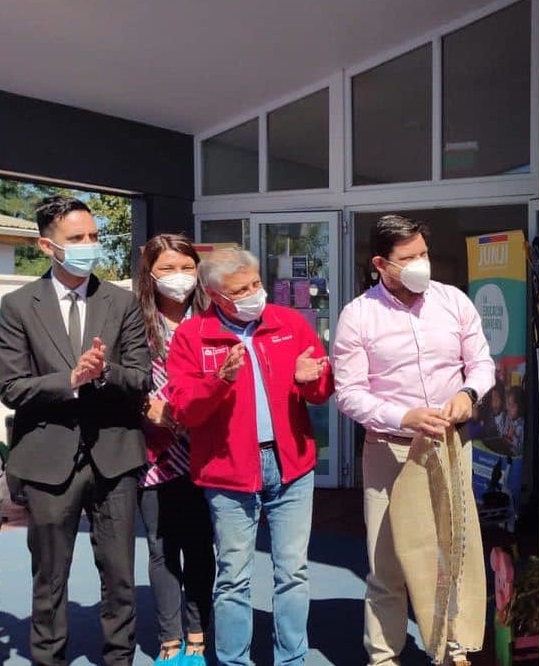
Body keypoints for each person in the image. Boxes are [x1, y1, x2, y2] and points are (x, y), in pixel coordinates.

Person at [333, 214, 495, 666]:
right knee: (387, 564)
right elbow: (349, 394)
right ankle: (384, 657)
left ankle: (452, 648)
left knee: (453, 552)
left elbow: (481, 363)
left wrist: (469, 393)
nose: (421, 264)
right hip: (390, 450)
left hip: (449, 446)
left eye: (423, 254)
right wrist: (403, 417)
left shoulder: (453, 301)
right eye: (408, 259)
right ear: (381, 264)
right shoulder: (359, 315)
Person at [0, 195, 152, 666]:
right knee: (49, 578)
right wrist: (70, 380)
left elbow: (140, 377)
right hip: (47, 461)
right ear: (47, 245)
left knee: (120, 577)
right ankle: (49, 658)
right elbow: (11, 387)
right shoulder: (17, 307)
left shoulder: (122, 302)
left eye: (94, 236)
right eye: (77, 239)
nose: (89, 246)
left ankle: (119, 658)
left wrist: (103, 371)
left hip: (115, 458)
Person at [165, 246, 333, 666]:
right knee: (234, 578)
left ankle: (291, 658)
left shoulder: (290, 323)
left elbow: (321, 387)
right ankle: (234, 659)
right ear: (213, 295)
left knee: (292, 572)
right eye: (241, 290)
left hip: (291, 465)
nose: (254, 294)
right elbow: (183, 409)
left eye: (256, 284)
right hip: (228, 472)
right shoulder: (192, 336)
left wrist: (311, 382)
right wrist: (219, 382)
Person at [134, 234, 215, 665]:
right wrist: (147, 405)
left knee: (201, 546)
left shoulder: (212, 318)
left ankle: (198, 634)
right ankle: (169, 639)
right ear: (149, 273)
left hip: (205, 452)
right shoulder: (133, 321)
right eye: (167, 268)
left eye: (186, 267)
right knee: (162, 547)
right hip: (154, 453)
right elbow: (121, 379)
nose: (178, 277)